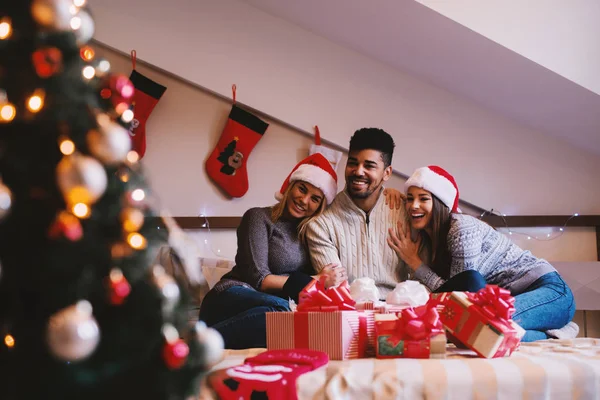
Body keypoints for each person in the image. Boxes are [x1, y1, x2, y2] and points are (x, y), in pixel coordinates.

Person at [388, 165, 577, 342]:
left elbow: (461, 295)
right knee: (477, 329)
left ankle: (555, 330)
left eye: (423, 198)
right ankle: (553, 332)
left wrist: (416, 264)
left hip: (549, 291)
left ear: (440, 203)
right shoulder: (430, 238)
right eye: (409, 198)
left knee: (483, 328)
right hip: (510, 300)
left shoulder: (462, 228)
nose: (413, 205)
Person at [306, 128, 409, 298]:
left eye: (369, 166)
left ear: (387, 173)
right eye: (353, 163)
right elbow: (336, 289)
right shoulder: (321, 224)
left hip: (400, 308)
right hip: (350, 311)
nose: (358, 171)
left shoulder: (405, 212)